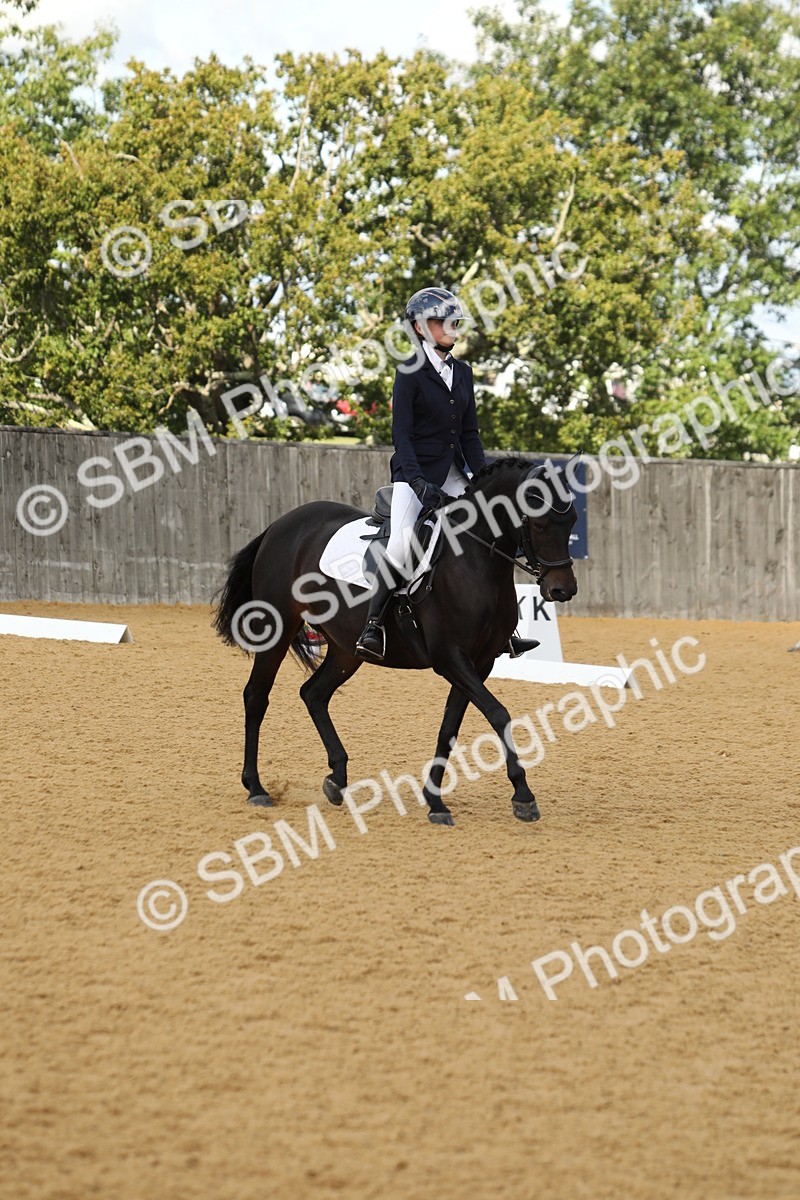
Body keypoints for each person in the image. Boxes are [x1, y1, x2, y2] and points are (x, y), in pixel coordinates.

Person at [355, 286, 487, 662]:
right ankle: (373, 625)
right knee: (401, 542)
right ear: (419, 327)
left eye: (450, 319)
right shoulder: (409, 371)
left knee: (490, 529)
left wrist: (483, 479)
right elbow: (403, 437)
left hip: (453, 471)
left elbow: (470, 435)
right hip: (415, 473)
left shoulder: (463, 372)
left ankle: (501, 626)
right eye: (438, 320)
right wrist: (416, 481)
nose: (448, 325)